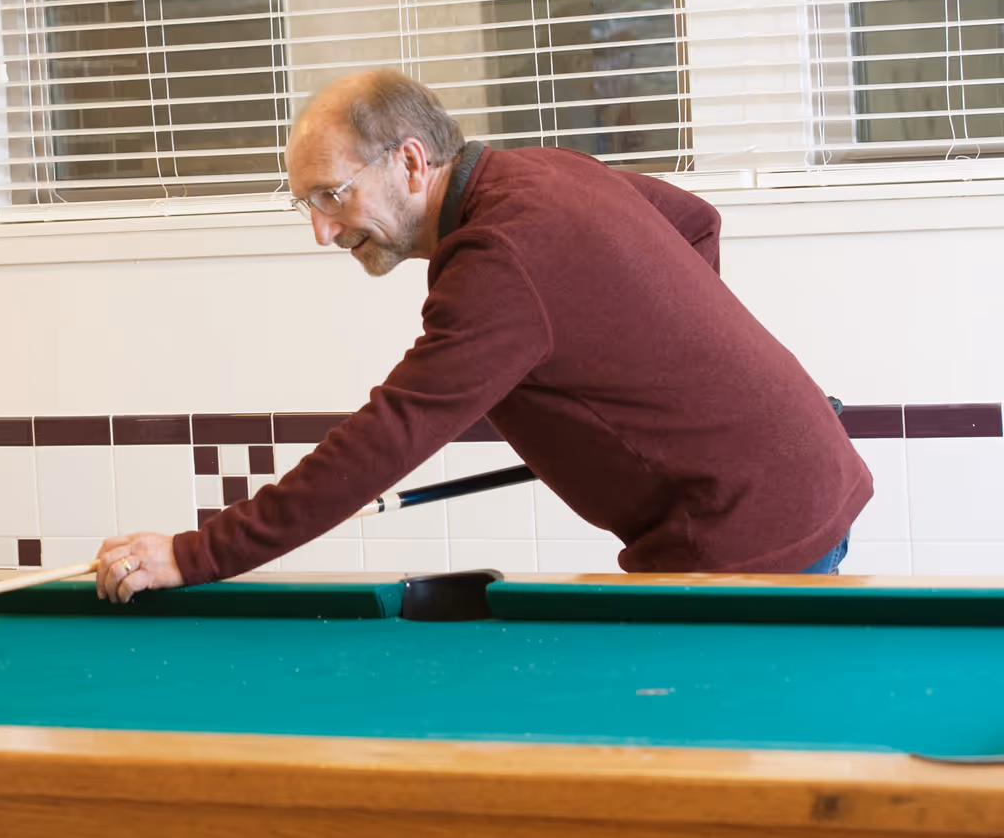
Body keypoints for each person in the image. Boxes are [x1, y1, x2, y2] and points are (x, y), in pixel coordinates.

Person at [96, 70, 870, 603]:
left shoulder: (502, 256)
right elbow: (694, 222)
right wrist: (684, 394)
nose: (322, 231)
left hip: (745, 535)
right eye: (305, 203)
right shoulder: (543, 173)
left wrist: (195, 555)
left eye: (331, 195)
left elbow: (387, 437)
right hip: (790, 492)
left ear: (408, 160)